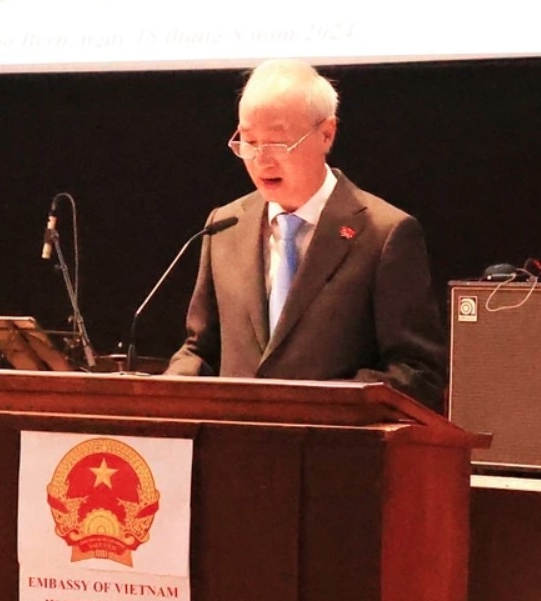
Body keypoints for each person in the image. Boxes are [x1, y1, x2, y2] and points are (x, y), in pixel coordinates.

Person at [165, 59, 448, 413]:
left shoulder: (384, 233)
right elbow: (200, 350)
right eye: (249, 143)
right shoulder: (225, 224)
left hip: (333, 451)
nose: (261, 161)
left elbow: (418, 371)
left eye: (278, 144)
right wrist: (164, 393)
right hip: (233, 450)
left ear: (326, 133)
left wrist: (318, 405)